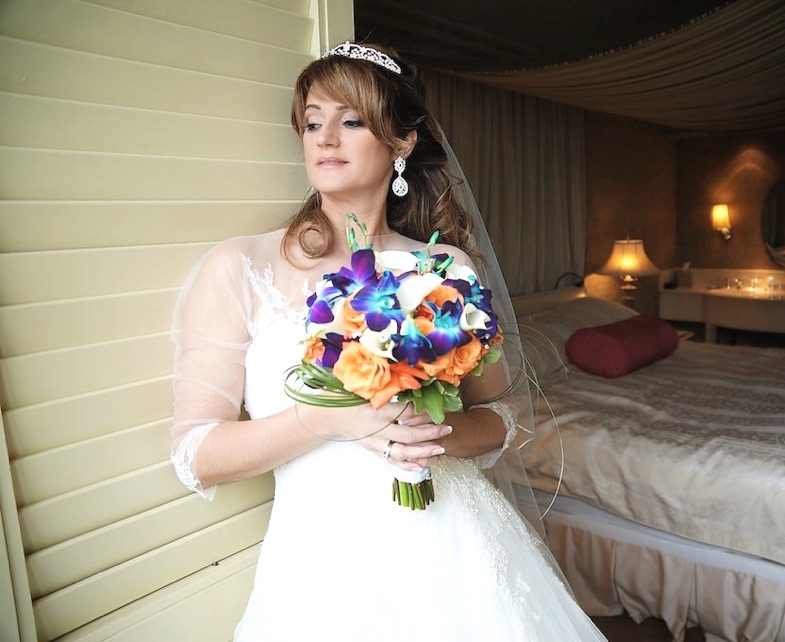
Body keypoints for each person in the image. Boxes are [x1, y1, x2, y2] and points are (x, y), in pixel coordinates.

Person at [170, 41, 608, 641]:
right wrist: (326, 421)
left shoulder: (446, 269)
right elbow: (196, 454)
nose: (325, 139)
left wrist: (434, 435)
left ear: (401, 143)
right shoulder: (240, 266)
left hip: (459, 549)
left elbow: (504, 414)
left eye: (351, 121)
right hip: (322, 575)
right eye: (313, 122)